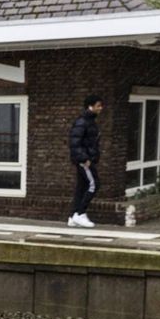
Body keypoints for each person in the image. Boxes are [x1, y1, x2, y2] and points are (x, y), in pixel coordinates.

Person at [68, 94, 104, 228]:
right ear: (90, 106)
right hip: (85, 160)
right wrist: (84, 159)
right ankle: (80, 214)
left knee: (81, 187)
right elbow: (74, 143)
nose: (101, 108)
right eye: (98, 106)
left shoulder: (89, 121)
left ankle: (72, 217)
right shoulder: (82, 122)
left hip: (86, 159)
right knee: (94, 184)